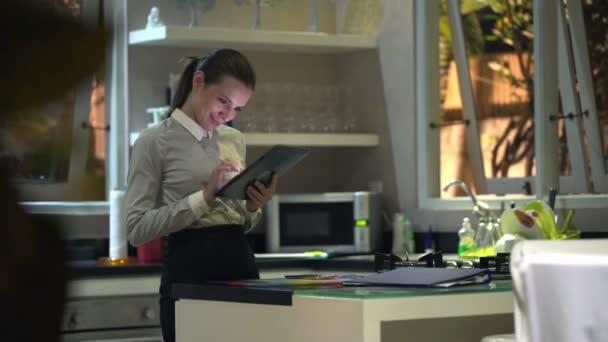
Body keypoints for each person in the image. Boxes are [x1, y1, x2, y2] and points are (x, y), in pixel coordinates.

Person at [126, 48, 277, 342]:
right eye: (223, 101)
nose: (228, 115)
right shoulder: (153, 141)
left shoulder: (235, 139)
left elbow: (239, 220)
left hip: (241, 265)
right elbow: (136, 229)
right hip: (189, 270)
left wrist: (252, 206)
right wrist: (205, 196)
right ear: (198, 81)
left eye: (237, 109)